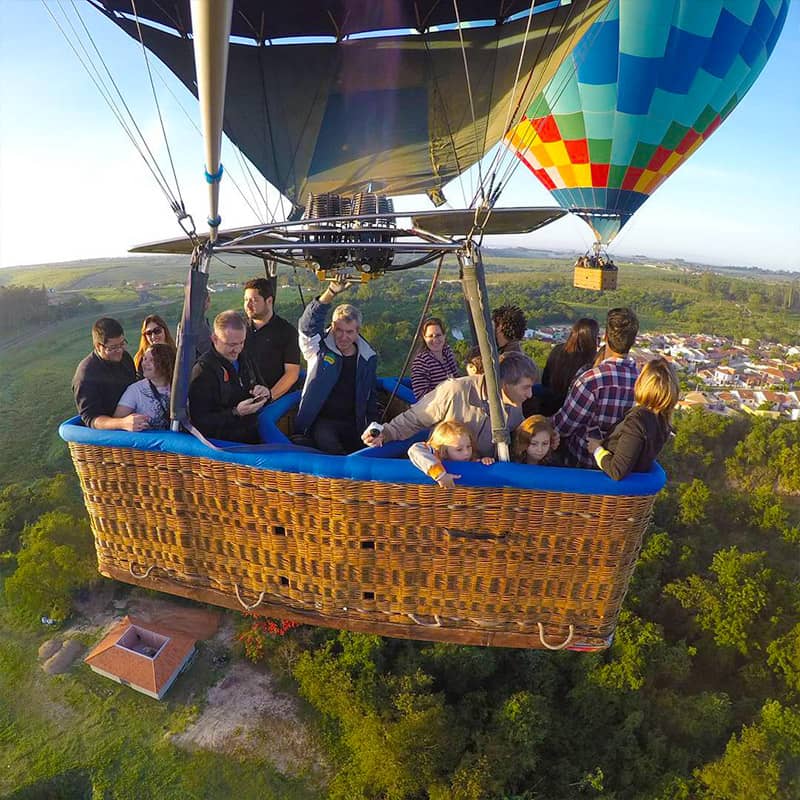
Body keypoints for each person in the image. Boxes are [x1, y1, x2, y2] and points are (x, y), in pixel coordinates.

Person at [364, 351, 539, 458]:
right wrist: (385, 433)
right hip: (446, 480)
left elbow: (518, 438)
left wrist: (544, 434)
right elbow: (415, 418)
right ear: (504, 384)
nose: (529, 395)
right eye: (526, 388)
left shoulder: (514, 404)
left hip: (482, 483)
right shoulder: (455, 391)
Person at [296, 280, 379, 454]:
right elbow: (307, 325)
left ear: (358, 331)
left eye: (349, 332)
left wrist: (374, 425)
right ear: (332, 327)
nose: (343, 337)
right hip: (322, 420)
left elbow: (370, 396)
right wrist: (331, 292)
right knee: (331, 449)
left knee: (365, 452)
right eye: (339, 330)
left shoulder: (367, 357)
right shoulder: (318, 349)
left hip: (354, 422)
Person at [552, 307, 639, 468]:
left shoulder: (591, 380)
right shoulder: (642, 382)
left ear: (606, 337)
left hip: (581, 464)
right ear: (633, 340)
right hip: (619, 468)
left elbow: (563, 426)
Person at [588, 357, 678, 480]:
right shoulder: (662, 421)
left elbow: (617, 470)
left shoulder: (638, 421)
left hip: (611, 490)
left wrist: (596, 449)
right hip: (631, 492)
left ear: (643, 384)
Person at [188, 310, 269, 443]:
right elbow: (200, 421)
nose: (237, 349)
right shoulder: (203, 370)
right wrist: (235, 412)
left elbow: (262, 385)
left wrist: (265, 393)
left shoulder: (245, 358)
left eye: (241, 343)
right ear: (214, 339)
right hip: (224, 446)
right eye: (231, 345)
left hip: (252, 436)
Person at [73, 317, 141, 431]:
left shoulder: (124, 357)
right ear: (98, 346)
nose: (119, 350)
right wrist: (122, 423)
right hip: (110, 437)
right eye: (113, 347)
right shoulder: (86, 375)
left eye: (122, 344)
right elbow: (92, 419)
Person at [242, 278, 301, 401]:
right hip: (245, 394)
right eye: (246, 300)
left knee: (265, 419)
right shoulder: (241, 328)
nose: (248, 305)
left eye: (254, 300)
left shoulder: (287, 332)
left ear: (269, 301)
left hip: (275, 395)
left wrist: (269, 395)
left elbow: (292, 373)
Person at [539, 318, 600, 416]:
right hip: (572, 412)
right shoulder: (591, 362)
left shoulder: (557, 350)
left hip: (547, 406)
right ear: (592, 339)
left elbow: (544, 380)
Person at [408, 421, 495, 488]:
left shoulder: (471, 460)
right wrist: (440, 475)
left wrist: (485, 461)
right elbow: (415, 449)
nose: (467, 452)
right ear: (443, 450)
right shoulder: (436, 455)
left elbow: (479, 466)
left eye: (468, 446)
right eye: (459, 449)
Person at [113, 343, 177, 430]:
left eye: (152, 360)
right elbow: (117, 419)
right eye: (145, 359)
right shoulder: (135, 390)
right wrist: (126, 423)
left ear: (164, 363)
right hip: (148, 441)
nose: (144, 363)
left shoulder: (180, 386)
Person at [410, 317, 460, 400]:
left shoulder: (448, 353)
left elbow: (457, 377)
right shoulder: (421, 362)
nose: (435, 340)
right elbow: (421, 396)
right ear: (424, 338)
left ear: (444, 336)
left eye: (438, 335)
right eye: (430, 336)